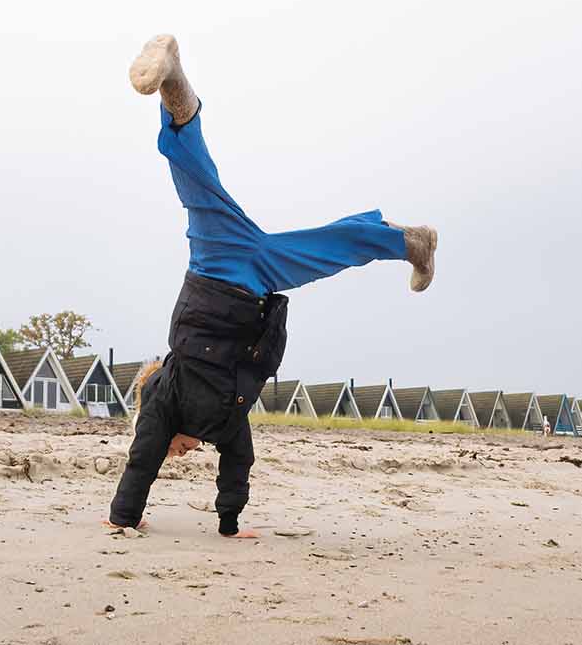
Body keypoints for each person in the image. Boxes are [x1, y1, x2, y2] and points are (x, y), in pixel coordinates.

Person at [107, 35, 439, 539]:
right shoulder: (224, 424)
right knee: (318, 245)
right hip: (251, 279)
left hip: (218, 273)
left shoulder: (163, 397)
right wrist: (229, 526)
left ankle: (174, 80)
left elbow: (142, 459)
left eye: (174, 450)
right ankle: (411, 242)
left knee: (205, 184)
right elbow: (237, 465)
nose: (177, 454)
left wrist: (123, 518)